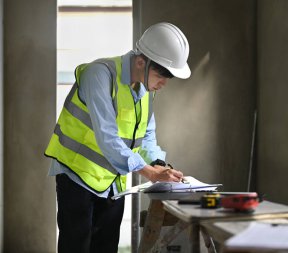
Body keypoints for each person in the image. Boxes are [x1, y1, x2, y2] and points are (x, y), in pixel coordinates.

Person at [45, 22, 191, 253]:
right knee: (77, 246)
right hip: (77, 175)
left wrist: (159, 165)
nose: (164, 82)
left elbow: (147, 137)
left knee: (106, 247)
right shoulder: (99, 74)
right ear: (141, 61)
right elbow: (108, 137)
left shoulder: (144, 90)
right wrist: (150, 173)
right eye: (161, 74)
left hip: (112, 182)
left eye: (169, 76)